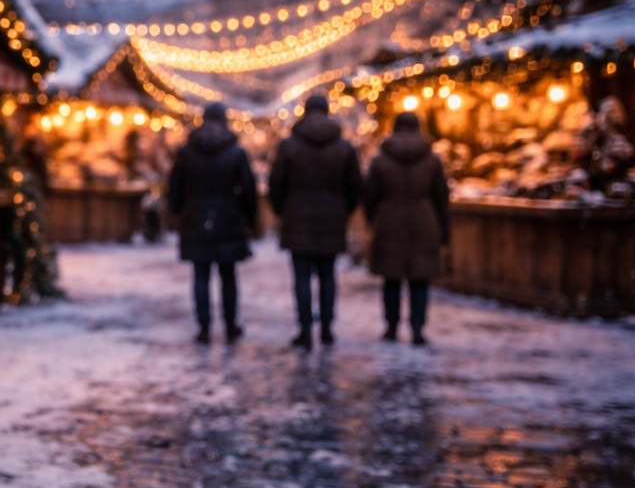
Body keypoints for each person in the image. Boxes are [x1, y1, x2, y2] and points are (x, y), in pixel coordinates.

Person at [268, 94, 361, 347]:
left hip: (297, 217)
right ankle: (327, 327)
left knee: (302, 277)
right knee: (328, 275)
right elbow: (355, 185)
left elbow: (276, 183)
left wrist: (282, 210)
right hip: (332, 217)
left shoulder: (288, 145)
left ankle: (305, 328)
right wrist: (343, 210)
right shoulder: (344, 147)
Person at [167, 102, 257, 343]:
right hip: (228, 217)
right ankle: (230, 325)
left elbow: (174, 188)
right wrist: (248, 217)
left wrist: (181, 212)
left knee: (200, 275)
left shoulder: (187, 152)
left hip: (195, 217)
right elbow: (248, 189)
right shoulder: (236, 152)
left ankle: (204, 326)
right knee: (228, 275)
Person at [362, 111, 449, 344]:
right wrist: (443, 230)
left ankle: (391, 327)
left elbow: (370, 197)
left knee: (391, 279)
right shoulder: (432, 160)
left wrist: (374, 221)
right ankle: (418, 328)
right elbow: (441, 197)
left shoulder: (380, 160)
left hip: (389, 223)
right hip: (424, 223)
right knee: (420, 280)